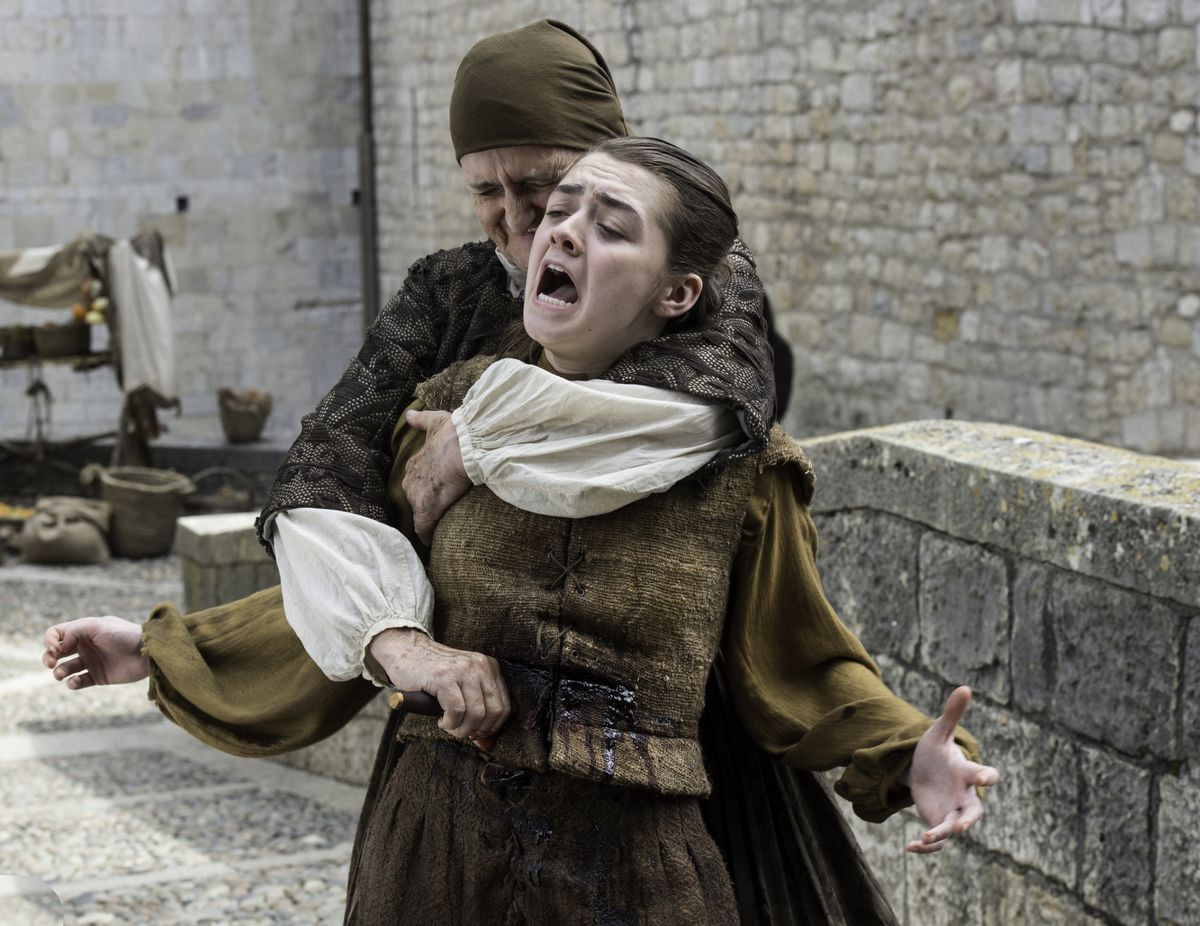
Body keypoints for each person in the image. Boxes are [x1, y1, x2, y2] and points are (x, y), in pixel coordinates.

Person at [46, 137, 998, 925]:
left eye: (610, 225)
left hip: (637, 869)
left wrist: (907, 749)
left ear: (676, 294)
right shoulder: (443, 419)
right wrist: (164, 648)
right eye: (561, 212)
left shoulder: (739, 466)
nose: (561, 230)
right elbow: (364, 586)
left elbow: (801, 658)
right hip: (436, 851)